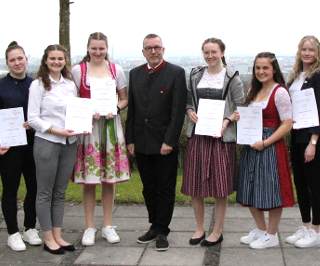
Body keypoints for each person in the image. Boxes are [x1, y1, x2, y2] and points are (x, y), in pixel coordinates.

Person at [125, 34, 187, 251]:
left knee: (165, 188)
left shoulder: (176, 73)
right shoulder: (134, 73)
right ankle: (154, 225)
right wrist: (129, 140)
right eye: (149, 48)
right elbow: (132, 110)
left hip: (164, 143)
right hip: (141, 142)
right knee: (148, 188)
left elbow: (177, 112)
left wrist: (169, 141)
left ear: (163, 49)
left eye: (157, 47)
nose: (153, 51)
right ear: (143, 52)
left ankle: (162, 230)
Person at [182, 38, 243, 247]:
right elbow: (188, 101)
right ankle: (199, 228)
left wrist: (228, 119)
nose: (210, 56)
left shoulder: (232, 78)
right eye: (206, 52)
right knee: (195, 183)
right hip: (198, 135)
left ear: (222, 52)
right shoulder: (195, 76)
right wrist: (190, 112)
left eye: (214, 52)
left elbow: (241, 108)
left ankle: (217, 230)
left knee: (220, 186)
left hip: (221, 138)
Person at [71, 32, 130, 246]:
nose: (97, 52)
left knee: (108, 178)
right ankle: (89, 227)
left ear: (107, 49)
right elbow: (72, 99)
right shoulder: (78, 71)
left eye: (101, 48)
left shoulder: (117, 70)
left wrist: (114, 108)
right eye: (94, 48)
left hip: (110, 128)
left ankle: (107, 225)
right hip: (88, 130)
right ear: (88, 48)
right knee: (90, 179)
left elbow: (124, 99)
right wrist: (86, 111)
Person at [236, 52, 295, 249]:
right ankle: (261, 229)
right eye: (258, 68)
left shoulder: (280, 92)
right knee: (250, 187)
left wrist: (266, 142)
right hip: (251, 144)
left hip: (270, 146)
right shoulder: (254, 89)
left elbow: (287, 124)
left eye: (265, 68)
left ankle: (272, 234)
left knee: (272, 190)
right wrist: (239, 116)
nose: (261, 71)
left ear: (274, 69)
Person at [0, 41, 42, 251]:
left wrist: (34, 122)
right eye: (12, 60)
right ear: (7, 63)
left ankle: (30, 228)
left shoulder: (35, 84)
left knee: (34, 188)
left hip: (33, 144)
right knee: (10, 190)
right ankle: (12, 233)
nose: (17, 63)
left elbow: (45, 111)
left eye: (20, 58)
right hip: (9, 148)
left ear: (26, 59)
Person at [28, 44, 79, 255]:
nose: (56, 62)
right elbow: (32, 119)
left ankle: (58, 235)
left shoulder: (69, 85)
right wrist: (56, 131)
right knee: (44, 193)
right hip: (47, 143)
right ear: (45, 61)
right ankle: (47, 236)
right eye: (52, 59)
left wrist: (84, 122)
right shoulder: (38, 85)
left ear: (65, 61)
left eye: (60, 58)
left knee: (60, 193)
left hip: (69, 144)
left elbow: (77, 111)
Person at [285, 36, 320, 248]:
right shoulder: (295, 76)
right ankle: (305, 225)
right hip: (296, 135)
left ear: (317, 52)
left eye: (311, 50)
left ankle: (316, 230)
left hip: (311, 137)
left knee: (313, 182)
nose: (307, 53)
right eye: (304, 49)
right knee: (300, 183)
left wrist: (313, 141)